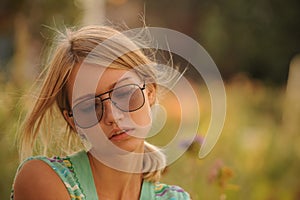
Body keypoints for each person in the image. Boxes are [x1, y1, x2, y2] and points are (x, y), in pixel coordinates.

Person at [11, 25, 191, 200]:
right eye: (89, 107)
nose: (112, 116)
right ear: (73, 122)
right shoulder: (44, 179)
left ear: (150, 92)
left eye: (124, 93)